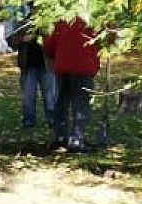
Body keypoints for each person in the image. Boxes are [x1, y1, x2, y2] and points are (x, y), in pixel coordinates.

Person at [42, 17, 100, 152]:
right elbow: (108, 38)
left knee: (62, 101)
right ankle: (76, 138)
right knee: (80, 103)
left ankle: (61, 136)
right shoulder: (94, 18)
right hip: (84, 65)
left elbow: (49, 44)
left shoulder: (61, 18)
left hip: (63, 65)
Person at [6, 4, 55, 130]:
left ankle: (52, 119)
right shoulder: (23, 23)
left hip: (46, 65)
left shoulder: (48, 24)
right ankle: (29, 120)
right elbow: (11, 41)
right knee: (29, 96)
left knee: (49, 95)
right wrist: (23, 39)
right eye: (34, 8)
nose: (36, 11)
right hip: (28, 66)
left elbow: (54, 42)